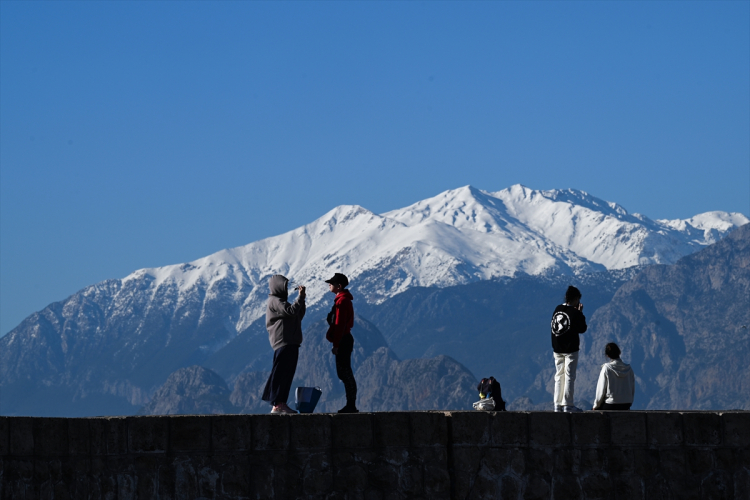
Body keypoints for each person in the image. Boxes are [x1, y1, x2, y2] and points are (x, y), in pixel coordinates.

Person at [262, 275, 306, 414]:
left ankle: (281, 403)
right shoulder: (275, 301)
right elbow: (291, 311)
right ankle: (277, 404)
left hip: (290, 342)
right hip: (284, 341)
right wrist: (300, 298)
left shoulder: (281, 302)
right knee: (282, 373)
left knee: (287, 373)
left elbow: (297, 314)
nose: (286, 289)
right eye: (285, 286)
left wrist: (301, 300)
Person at [324, 273, 358, 413]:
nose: (329, 285)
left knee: (345, 372)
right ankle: (350, 404)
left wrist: (336, 344)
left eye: (331, 283)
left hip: (343, 340)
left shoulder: (342, 301)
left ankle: (351, 404)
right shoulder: (341, 300)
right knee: (343, 372)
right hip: (344, 339)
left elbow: (339, 324)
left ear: (339, 286)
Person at [550, 285, 587, 412]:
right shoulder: (575, 313)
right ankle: (568, 404)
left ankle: (557, 404)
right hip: (570, 349)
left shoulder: (557, 309)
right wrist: (580, 313)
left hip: (557, 348)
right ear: (576, 299)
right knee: (569, 375)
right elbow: (582, 328)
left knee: (559, 375)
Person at [592, 343, 635, 410]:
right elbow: (632, 389)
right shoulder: (629, 369)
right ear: (619, 352)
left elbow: (601, 390)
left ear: (608, 355)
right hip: (626, 404)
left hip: (611, 404)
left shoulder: (607, 368)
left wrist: (596, 405)